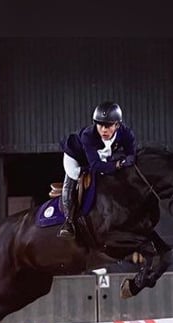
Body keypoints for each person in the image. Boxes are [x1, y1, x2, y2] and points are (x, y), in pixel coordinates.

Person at [57, 101, 137, 239]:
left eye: (108, 126)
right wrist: (118, 164)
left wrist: (129, 159)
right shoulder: (88, 135)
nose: (104, 130)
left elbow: (132, 154)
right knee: (74, 176)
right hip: (75, 156)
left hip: (97, 157)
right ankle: (68, 221)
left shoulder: (126, 133)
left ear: (117, 125)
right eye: (100, 125)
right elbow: (95, 165)